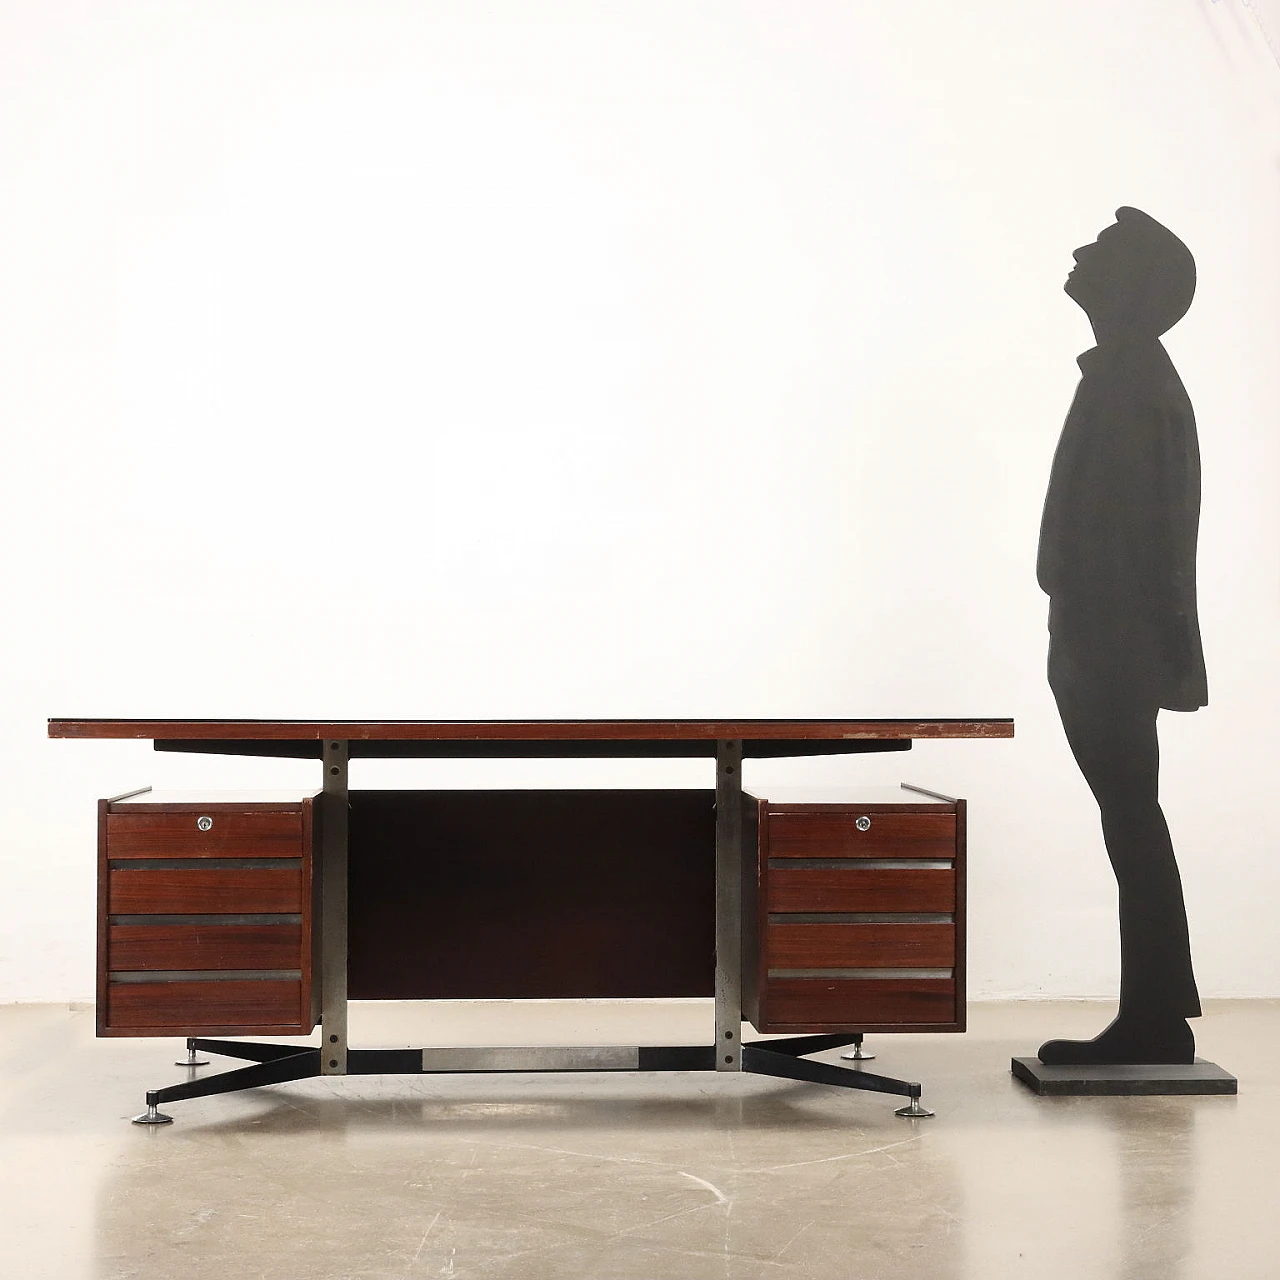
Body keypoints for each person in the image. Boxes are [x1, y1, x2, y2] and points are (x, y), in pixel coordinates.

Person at [1036, 206, 1206, 1066]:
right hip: (1107, 639)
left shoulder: (1132, 382)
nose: (1077, 252)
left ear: (1132, 286)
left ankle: (1156, 1017)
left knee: (1132, 819)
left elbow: (1138, 534)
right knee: (1131, 819)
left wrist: (1101, 639)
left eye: (1100, 250)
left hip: (1112, 644)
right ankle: (1157, 1011)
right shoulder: (1129, 376)